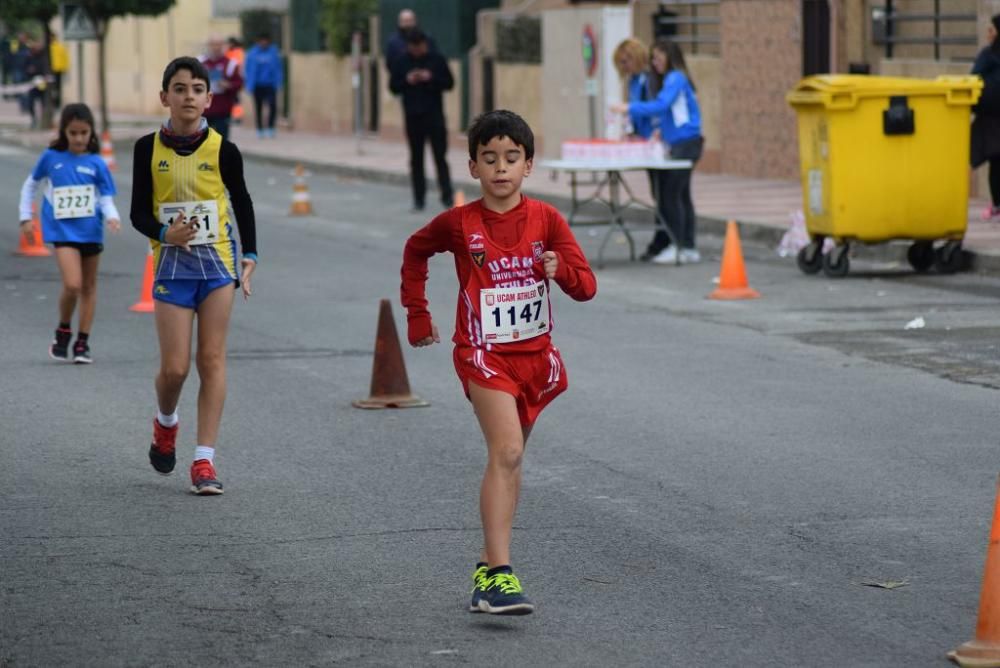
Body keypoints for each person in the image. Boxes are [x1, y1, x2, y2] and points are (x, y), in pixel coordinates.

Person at [401, 110, 598, 614]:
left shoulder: (546, 220)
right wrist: (418, 315)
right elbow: (415, 251)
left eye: (512, 158)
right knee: (507, 451)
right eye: (489, 159)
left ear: (528, 166)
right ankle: (500, 577)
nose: (501, 168)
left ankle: (489, 564)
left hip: (533, 357)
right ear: (473, 166)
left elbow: (587, 287)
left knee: (509, 462)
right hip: (483, 355)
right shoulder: (459, 223)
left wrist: (563, 270)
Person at [130, 56, 258, 495]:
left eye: (197, 89)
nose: (188, 96)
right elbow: (137, 213)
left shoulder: (224, 149)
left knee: (212, 360)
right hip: (171, 267)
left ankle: (204, 461)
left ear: (208, 98)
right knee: (175, 368)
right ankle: (166, 423)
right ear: (165, 97)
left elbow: (242, 202)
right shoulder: (147, 149)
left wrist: (251, 254)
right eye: (180, 89)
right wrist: (167, 232)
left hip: (218, 266)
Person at [18, 103, 120, 363]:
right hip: (61, 230)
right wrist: (25, 217)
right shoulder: (51, 157)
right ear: (64, 131)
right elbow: (30, 186)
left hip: (91, 231)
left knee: (88, 286)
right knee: (73, 284)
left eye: (84, 133)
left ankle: (82, 343)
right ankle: (63, 329)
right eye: (73, 133)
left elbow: (106, 195)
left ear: (91, 133)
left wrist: (112, 217)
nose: (78, 138)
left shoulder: (97, 162)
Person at [612, 38, 704, 264]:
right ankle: (685, 245)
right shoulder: (665, 79)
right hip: (675, 142)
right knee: (679, 195)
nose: (654, 63)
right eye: (653, 58)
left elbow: (661, 106)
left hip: (685, 143)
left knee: (671, 195)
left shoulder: (674, 79)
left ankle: (678, 245)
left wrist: (628, 108)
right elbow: (665, 114)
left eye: (658, 58)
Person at [613, 37, 667, 260]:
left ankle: (664, 240)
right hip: (644, 142)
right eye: (621, 63)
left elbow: (653, 109)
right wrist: (631, 130)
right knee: (657, 192)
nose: (624, 67)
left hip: (655, 143)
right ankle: (661, 240)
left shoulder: (649, 79)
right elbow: (636, 111)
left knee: (664, 194)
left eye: (626, 61)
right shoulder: (633, 81)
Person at [389, 28, 454, 211]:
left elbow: (449, 83)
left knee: (440, 157)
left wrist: (431, 78)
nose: (417, 50)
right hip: (413, 117)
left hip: (435, 117)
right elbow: (393, 87)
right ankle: (419, 199)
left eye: (420, 46)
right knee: (416, 160)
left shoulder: (436, 60)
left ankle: (447, 196)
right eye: (413, 46)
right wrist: (407, 80)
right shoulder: (402, 62)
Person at [972, 14, 1000, 221]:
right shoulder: (987, 56)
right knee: (996, 160)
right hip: (991, 118)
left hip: (993, 117)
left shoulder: (988, 56)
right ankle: (997, 204)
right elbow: (974, 79)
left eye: (991, 30)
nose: (988, 34)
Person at [198, 34, 243, 141]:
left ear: (223, 46)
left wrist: (228, 85)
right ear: (208, 45)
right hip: (203, 111)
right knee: (202, 142)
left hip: (223, 110)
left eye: (219, 44)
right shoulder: (199, 62)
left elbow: (239, 83)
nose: (216, 47)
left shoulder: (231, 64)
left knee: (222, 142)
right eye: (213, 44)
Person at [244, 33, 282, 138]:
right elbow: (248, 69)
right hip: (257, 85)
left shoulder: (273, 52)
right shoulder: (252, 53)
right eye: (262, 41)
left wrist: (278, 82)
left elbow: (278, 68)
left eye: (266, 41)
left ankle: (271, 128)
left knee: (272, 106)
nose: (264, 43)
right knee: (258, 107)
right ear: (258, 41)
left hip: (270, 85)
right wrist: (249, 84)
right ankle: (260, 129)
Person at [385, 8, 437, 73]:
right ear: (399, 23)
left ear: (415, 21)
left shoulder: (427, 39)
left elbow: (435, 58)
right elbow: (390, 63)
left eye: (410, 21)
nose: (408, 24)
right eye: (405, 21)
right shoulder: (393, 42)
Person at [225, 36, 246, 125]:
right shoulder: (228, 52)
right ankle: (232, 115)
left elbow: (239, 65)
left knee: (236, 98)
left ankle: (237, 117)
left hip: (237, 77)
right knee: (231, 98)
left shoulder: (238, 52)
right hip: (229, 77)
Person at [49, 31, 69, 109]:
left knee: (57, 88)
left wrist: (65, 68)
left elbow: (65, 58)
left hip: (58, 70)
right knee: (50, 88)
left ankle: (57, 103)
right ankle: (51, 102)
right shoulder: (49, 47)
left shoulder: (60, 47)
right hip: (50, 70)